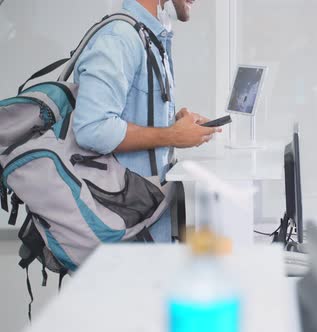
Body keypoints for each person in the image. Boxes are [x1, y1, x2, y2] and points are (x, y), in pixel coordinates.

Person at [73, 0, 220, 242]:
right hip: (125, 233)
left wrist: (173, 124)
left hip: (146, 222)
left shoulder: (148, 37)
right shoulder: (119, 38)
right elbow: (92, 128)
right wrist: (172, 135)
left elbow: (127, 115)